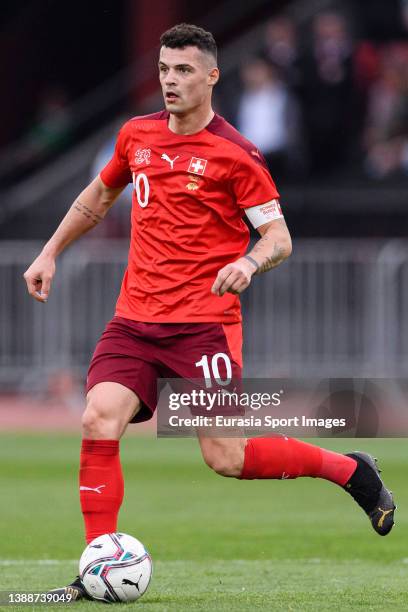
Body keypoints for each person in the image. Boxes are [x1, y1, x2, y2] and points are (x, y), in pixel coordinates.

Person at [23, 24, 395, 601]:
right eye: (165, 70)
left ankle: (350, 470)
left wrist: (249, 263)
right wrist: (49, 252)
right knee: (98, 419)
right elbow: (97, 198)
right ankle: (95, 565)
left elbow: (278, 236)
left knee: (227, 457)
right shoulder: (136, 136)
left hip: (203, 327)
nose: (170, 81)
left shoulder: (236, 154)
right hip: (134, 322)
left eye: (184, 71)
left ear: (212, 76)